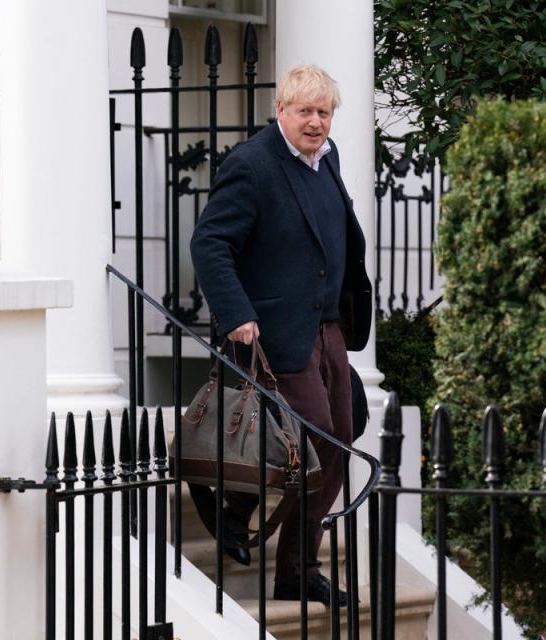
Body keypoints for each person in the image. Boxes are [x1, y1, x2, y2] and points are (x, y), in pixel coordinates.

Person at [190, 64, 372, 607]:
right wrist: (235, 312)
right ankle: (237, 508)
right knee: (312, 434)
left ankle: (295, 568)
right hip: (272, 331)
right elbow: (209, 243)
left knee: (340, 438)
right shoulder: (252, 165)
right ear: (281, 111)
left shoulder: (327, 159)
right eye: (306, 112)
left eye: (325, 113)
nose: (316, 123)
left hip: (326, 326)